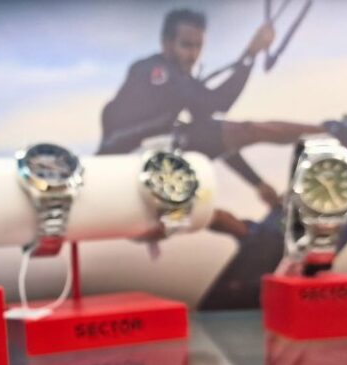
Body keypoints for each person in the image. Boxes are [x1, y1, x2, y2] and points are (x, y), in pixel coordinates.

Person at [98, 8, 322, 236]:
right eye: (187, 45)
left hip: (154, 162)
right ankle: (328, 131)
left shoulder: (179, 85)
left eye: (198, 46)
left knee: (209, 201)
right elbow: (216, 104)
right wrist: (250, 54)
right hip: (120, 173)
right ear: (166, 44)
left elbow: (215, 138)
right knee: (246, 132)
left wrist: (257, 183)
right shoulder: (153, 71)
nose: (193, 54)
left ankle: (252, 237)